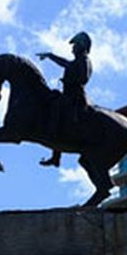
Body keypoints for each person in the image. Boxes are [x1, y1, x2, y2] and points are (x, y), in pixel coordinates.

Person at [37, 31, 93, 169]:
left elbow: (83, 78)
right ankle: (55, 155)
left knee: (56, 107)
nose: (72, 48)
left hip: (75, 96)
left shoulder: (84, 61)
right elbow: (65, 63)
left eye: (75, 45)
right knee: (52, 102)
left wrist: (70, 78)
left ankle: (54, 149)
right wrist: (50, 56)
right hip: (69, 94)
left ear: (82, 46)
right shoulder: (77, 61)